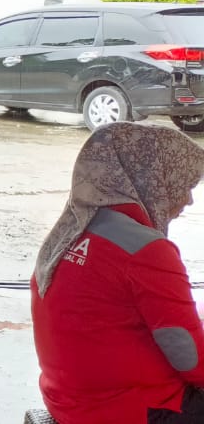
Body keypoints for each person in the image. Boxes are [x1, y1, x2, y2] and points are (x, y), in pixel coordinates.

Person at [31, 122, 204, 424]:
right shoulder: (146, 250)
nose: (189, 200)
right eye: (183, 185)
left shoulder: (69, 232)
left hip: (66, 398)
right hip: (125, 408)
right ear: (153, 179)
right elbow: (188, 355)